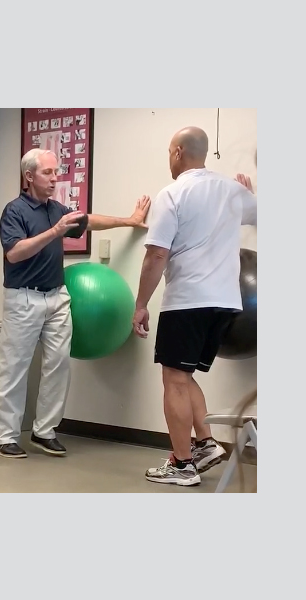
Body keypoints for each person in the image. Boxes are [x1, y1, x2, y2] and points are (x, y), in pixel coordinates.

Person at [0, 148, 149, 459]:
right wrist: (55, 231)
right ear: (29, 176)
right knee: (14, 369)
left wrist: (129, 221)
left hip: (57, 296)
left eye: (56, 172)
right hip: (24, 298)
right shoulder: (15, 211)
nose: (55, 178)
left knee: (59, 366)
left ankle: (44, 431)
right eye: (48, 173)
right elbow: (14, 253)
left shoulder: (57, 209)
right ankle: (4, 437)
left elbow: (89, 221)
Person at [132, 127, 257, 486]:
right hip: (226, 303)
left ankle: (182, 465)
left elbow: (156, 253)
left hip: (188, 300)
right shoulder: (232, 191)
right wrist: (248, 196)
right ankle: (204, 444)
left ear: (178, 152)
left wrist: (141, 303)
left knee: (173, 379)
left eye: (169, 151)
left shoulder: (174, 193)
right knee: (184, 377)